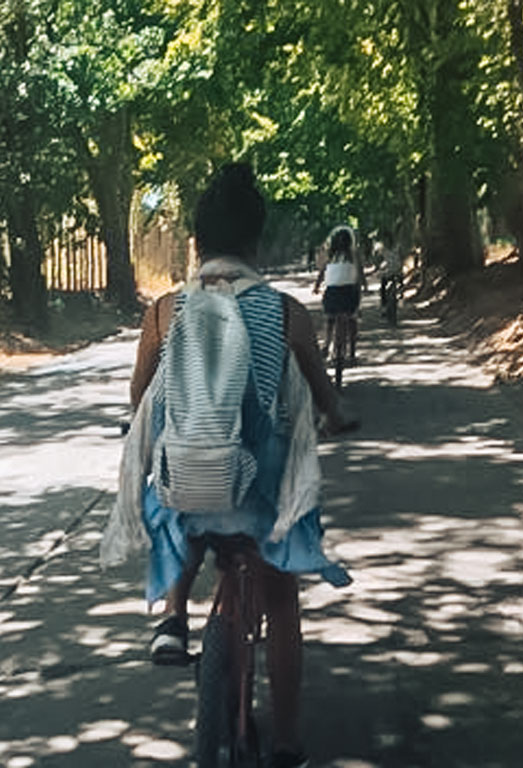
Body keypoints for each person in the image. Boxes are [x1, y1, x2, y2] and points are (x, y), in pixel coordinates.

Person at [102, 163, 354, 768]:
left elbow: (141, 399)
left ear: (196, 244)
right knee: (281, 595)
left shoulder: (166, 312)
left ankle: (173, 619)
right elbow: (324, 396)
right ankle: (288, 741)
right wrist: (336, 416)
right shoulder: (288, 313)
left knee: (177, 504)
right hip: (259, 492)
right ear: (257, 245)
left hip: (186, 484)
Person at [313, 226, 362, 366]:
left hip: (332, 292)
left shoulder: (330, 256)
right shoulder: (354, 255)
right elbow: (359, 273)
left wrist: (316, 286)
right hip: (349, 292)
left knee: (329, 320)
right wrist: (362, 287)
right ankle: (352, 352)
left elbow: (322, 272)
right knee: (352, 319)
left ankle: (326, 345)